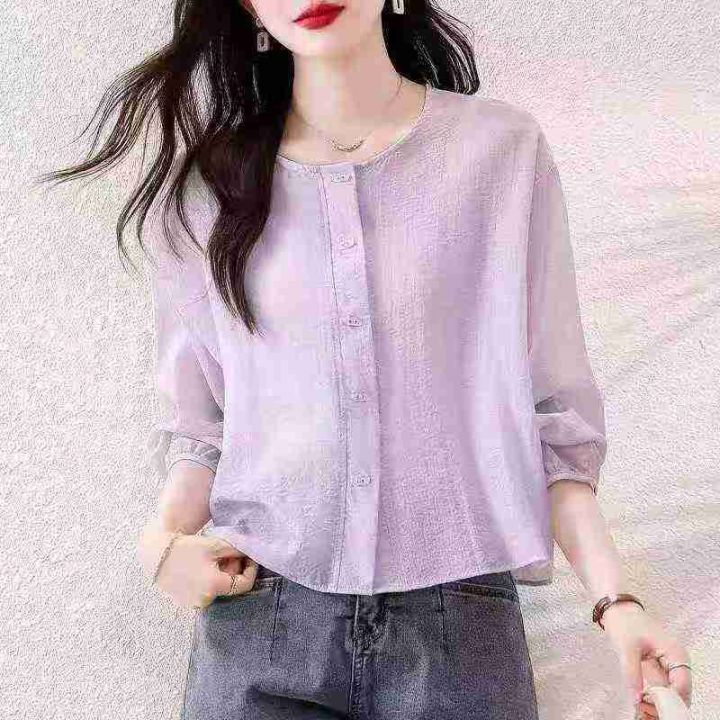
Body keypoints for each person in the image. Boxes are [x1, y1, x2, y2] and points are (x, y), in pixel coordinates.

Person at [40, 1, 692, 718]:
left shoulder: (499, 153)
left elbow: (551, 421)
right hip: (262, 616)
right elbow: (204, 427)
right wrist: (160, 543)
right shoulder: (211, 187)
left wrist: (616, 602)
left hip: (458, 628)